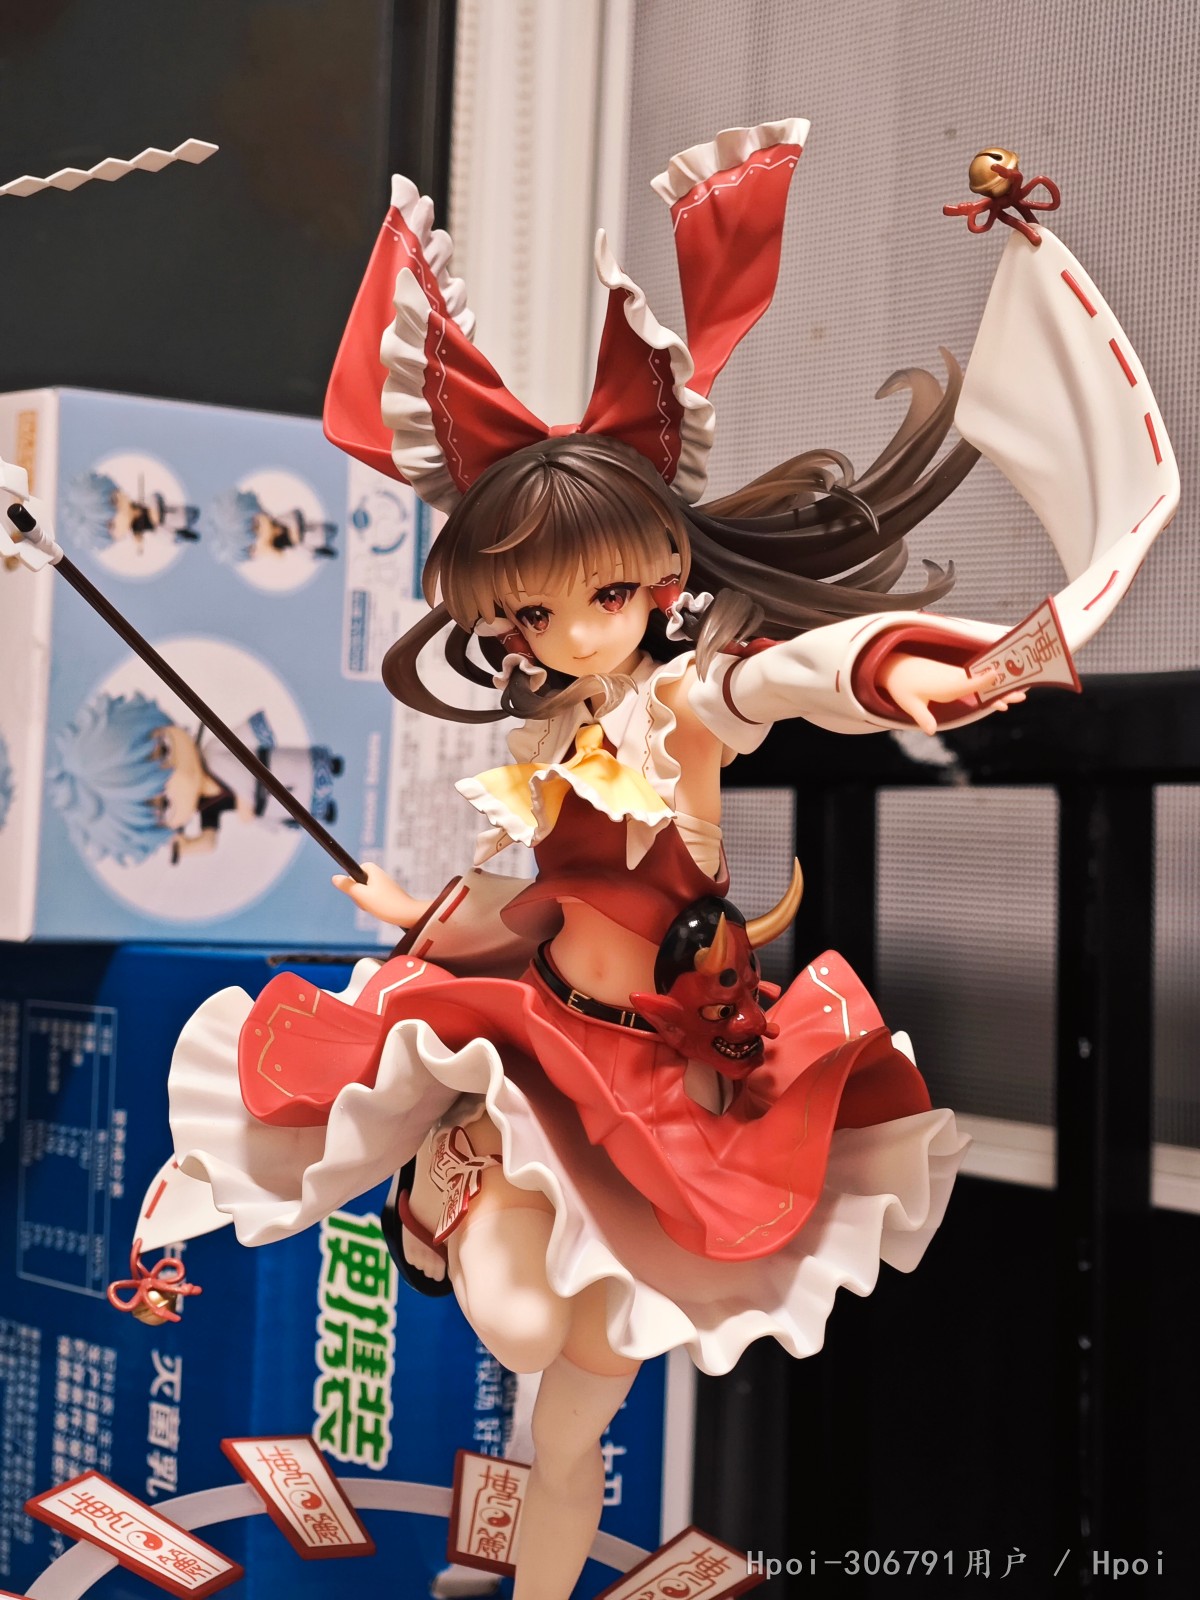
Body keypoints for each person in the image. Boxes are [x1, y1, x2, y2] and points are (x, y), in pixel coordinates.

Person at [136, 118, 1176, 1600]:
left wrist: (925, 670)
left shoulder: (681, 710)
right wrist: (419, 910)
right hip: (539, 1051)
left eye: (599, 599)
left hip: (667, 1080)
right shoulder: (548, 739)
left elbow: (795, 676)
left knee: (579, 1409)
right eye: (529, 617)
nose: (565, 637)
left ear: (663, 580)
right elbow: (524, 900)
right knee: (517, 1310)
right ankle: (451, 1175)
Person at [51, 690, 341, 866]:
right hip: (272, 803)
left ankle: (330, 768)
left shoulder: (215, 751)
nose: (178, 778)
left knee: (306, 770)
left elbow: (253, 732)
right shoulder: (209, 808)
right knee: (306, 804)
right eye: (164, 805)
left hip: (275, 768)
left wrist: (245, 797)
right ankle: (322, 806)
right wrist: (187, 846)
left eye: (163, 750)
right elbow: (208, 841)